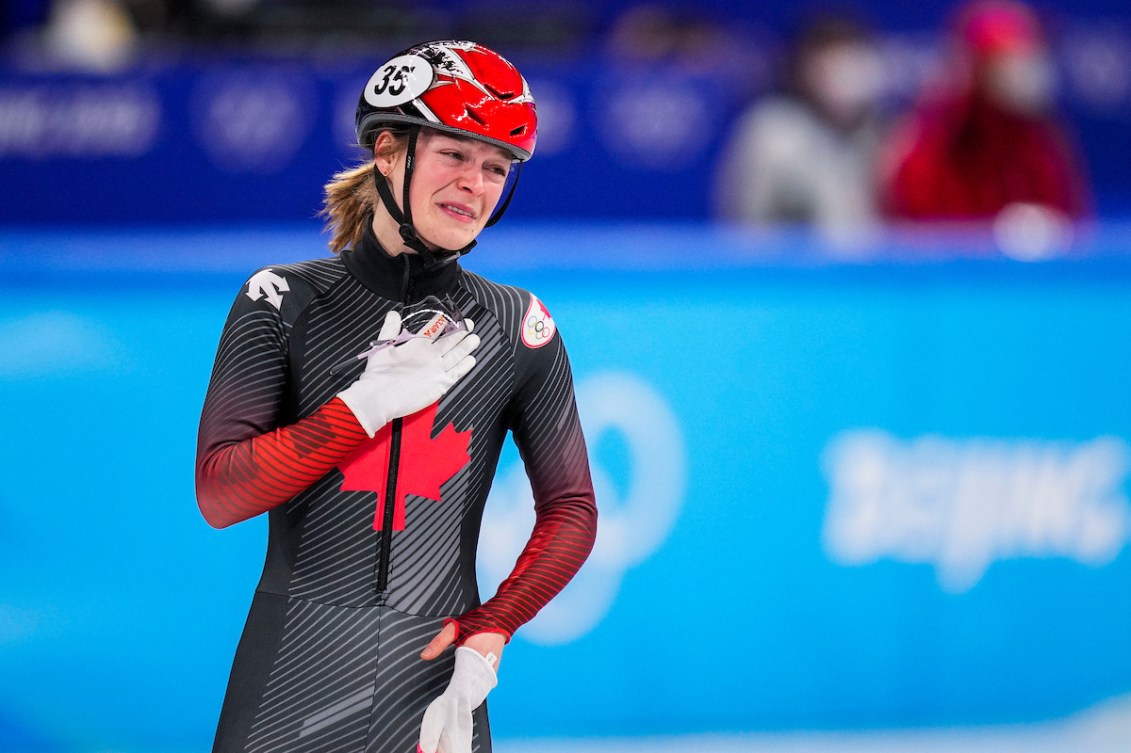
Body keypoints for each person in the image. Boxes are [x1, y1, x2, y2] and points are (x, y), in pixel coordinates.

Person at [195, 40, 598, 753]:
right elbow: (221, 493)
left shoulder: (517, 328)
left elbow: (570, 510)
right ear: (388, 151)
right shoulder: (282, 300)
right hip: (291, 677)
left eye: (495, 169)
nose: (474, 184)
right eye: (453, 155)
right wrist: (358, 410)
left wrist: (491, 629)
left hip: (436, 684)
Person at [880, 0, 1091, 223]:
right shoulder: (931, 146)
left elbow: (1071, 226)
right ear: (979, 70)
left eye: (1030, 56)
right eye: (1011, 60)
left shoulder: (1040, 143)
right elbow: (918, 237)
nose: (1027, 70)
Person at [712, 11, 888, 244]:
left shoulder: (887, 131)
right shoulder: (770, 131)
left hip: (873, 273)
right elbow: (746, 227)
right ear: (804, 68)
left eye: (853, 59)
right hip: (790, 274)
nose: (845, 74)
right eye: (831, 62)